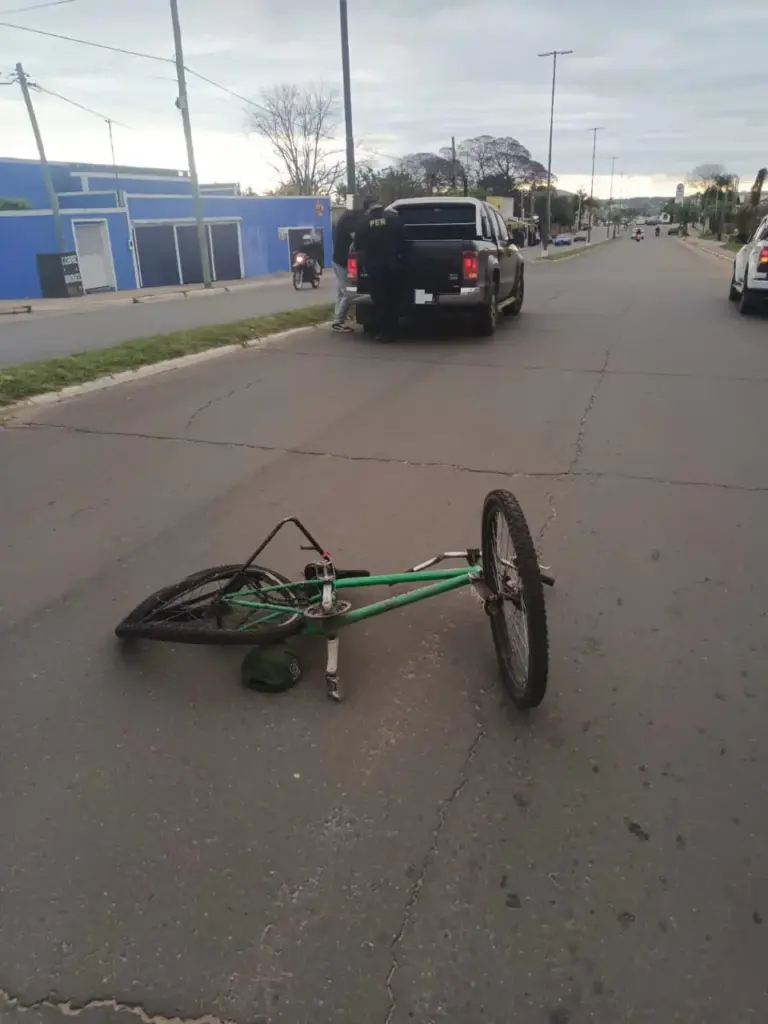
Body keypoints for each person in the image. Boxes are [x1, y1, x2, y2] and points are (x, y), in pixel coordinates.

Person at [354, 201, 407, 341]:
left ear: (369, 209)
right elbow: (404, 240)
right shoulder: (394, 220)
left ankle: (381, 331)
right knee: (393, 299)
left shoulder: (363, 223)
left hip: (374, 268)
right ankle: (393, 330)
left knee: (379, 300)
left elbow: (358, 245)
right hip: (393, 266)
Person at [331, 197, 376, 333]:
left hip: (338, 260)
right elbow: (355, 239)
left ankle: (337, 319)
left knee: (341, 292)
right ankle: (338, 322)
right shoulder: (351, 219)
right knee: (348, 292)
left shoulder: (346, 217)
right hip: (343, 262)